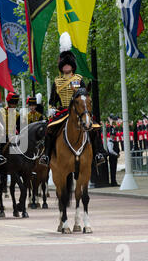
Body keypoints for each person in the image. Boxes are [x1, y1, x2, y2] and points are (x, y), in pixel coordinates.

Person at [45, 32, 107, 167]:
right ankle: (46, 155)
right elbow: (52, 101)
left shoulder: (79, 79)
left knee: (94, 127)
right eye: (64, 65)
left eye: (68, 65)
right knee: (49, 129)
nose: (66, 67)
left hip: (79, 111)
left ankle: (98, 153)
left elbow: (85, 95)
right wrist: (51, 109)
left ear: (72, 66)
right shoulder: (57, 81)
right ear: (61, 66)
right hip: (62, 112)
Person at [0, 92, 21, 167]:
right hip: (2, 135)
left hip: (13, 136)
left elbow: (19, 127)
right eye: (12, 103)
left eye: (15, 104)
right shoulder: (0, 112)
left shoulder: (17, 114)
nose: (14, 105)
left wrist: (18, 135)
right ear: (9, 103)